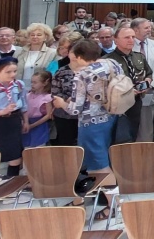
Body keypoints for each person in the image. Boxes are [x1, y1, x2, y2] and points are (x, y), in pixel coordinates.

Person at [51, 41, 120, 173]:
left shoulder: (83, 74)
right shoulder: (113, 64)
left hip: (91, 122)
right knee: (104, 154)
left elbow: (74, 109)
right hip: (110, 115)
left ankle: (107, 191)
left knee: (98, 165)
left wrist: (62, 103)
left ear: (80, 57)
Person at [107, 27, 153, 143]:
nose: (131, 40)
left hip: (136, 102)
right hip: (117, 105)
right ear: (116, 40)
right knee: (118, 138)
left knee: (132, 135)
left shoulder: (139, 57)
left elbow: (149, 73)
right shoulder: (107, 60)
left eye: (133, 37)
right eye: (127, 37)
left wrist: (146, 82)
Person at [0, 57, 29, 177]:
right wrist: (2, 111)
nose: (12, 75)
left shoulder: (19, 85)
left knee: (15, 154)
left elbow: (24, 104)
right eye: (8, 72)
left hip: (13, 121)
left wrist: (25, 121)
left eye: (14, 71)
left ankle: (11, 181)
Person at [131, 18, 154, 142]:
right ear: (135, 30)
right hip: (130, 92)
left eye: (150, 27)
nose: (150, 30)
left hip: (149, 90)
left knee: (146, 128)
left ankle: (145, 156)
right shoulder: (128, 44)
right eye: (146, 28)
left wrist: (150, 83)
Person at [22, 70, 53, 147]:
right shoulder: (27, 95)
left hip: (39, 125)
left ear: (45, 83)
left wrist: (32, 125)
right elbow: (23, 109)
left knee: (38, 148)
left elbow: (48, 115)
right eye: (31, 82)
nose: (32, 84)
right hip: (26, 123)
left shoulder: (47, 97)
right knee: (26, 148)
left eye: (35, 82)